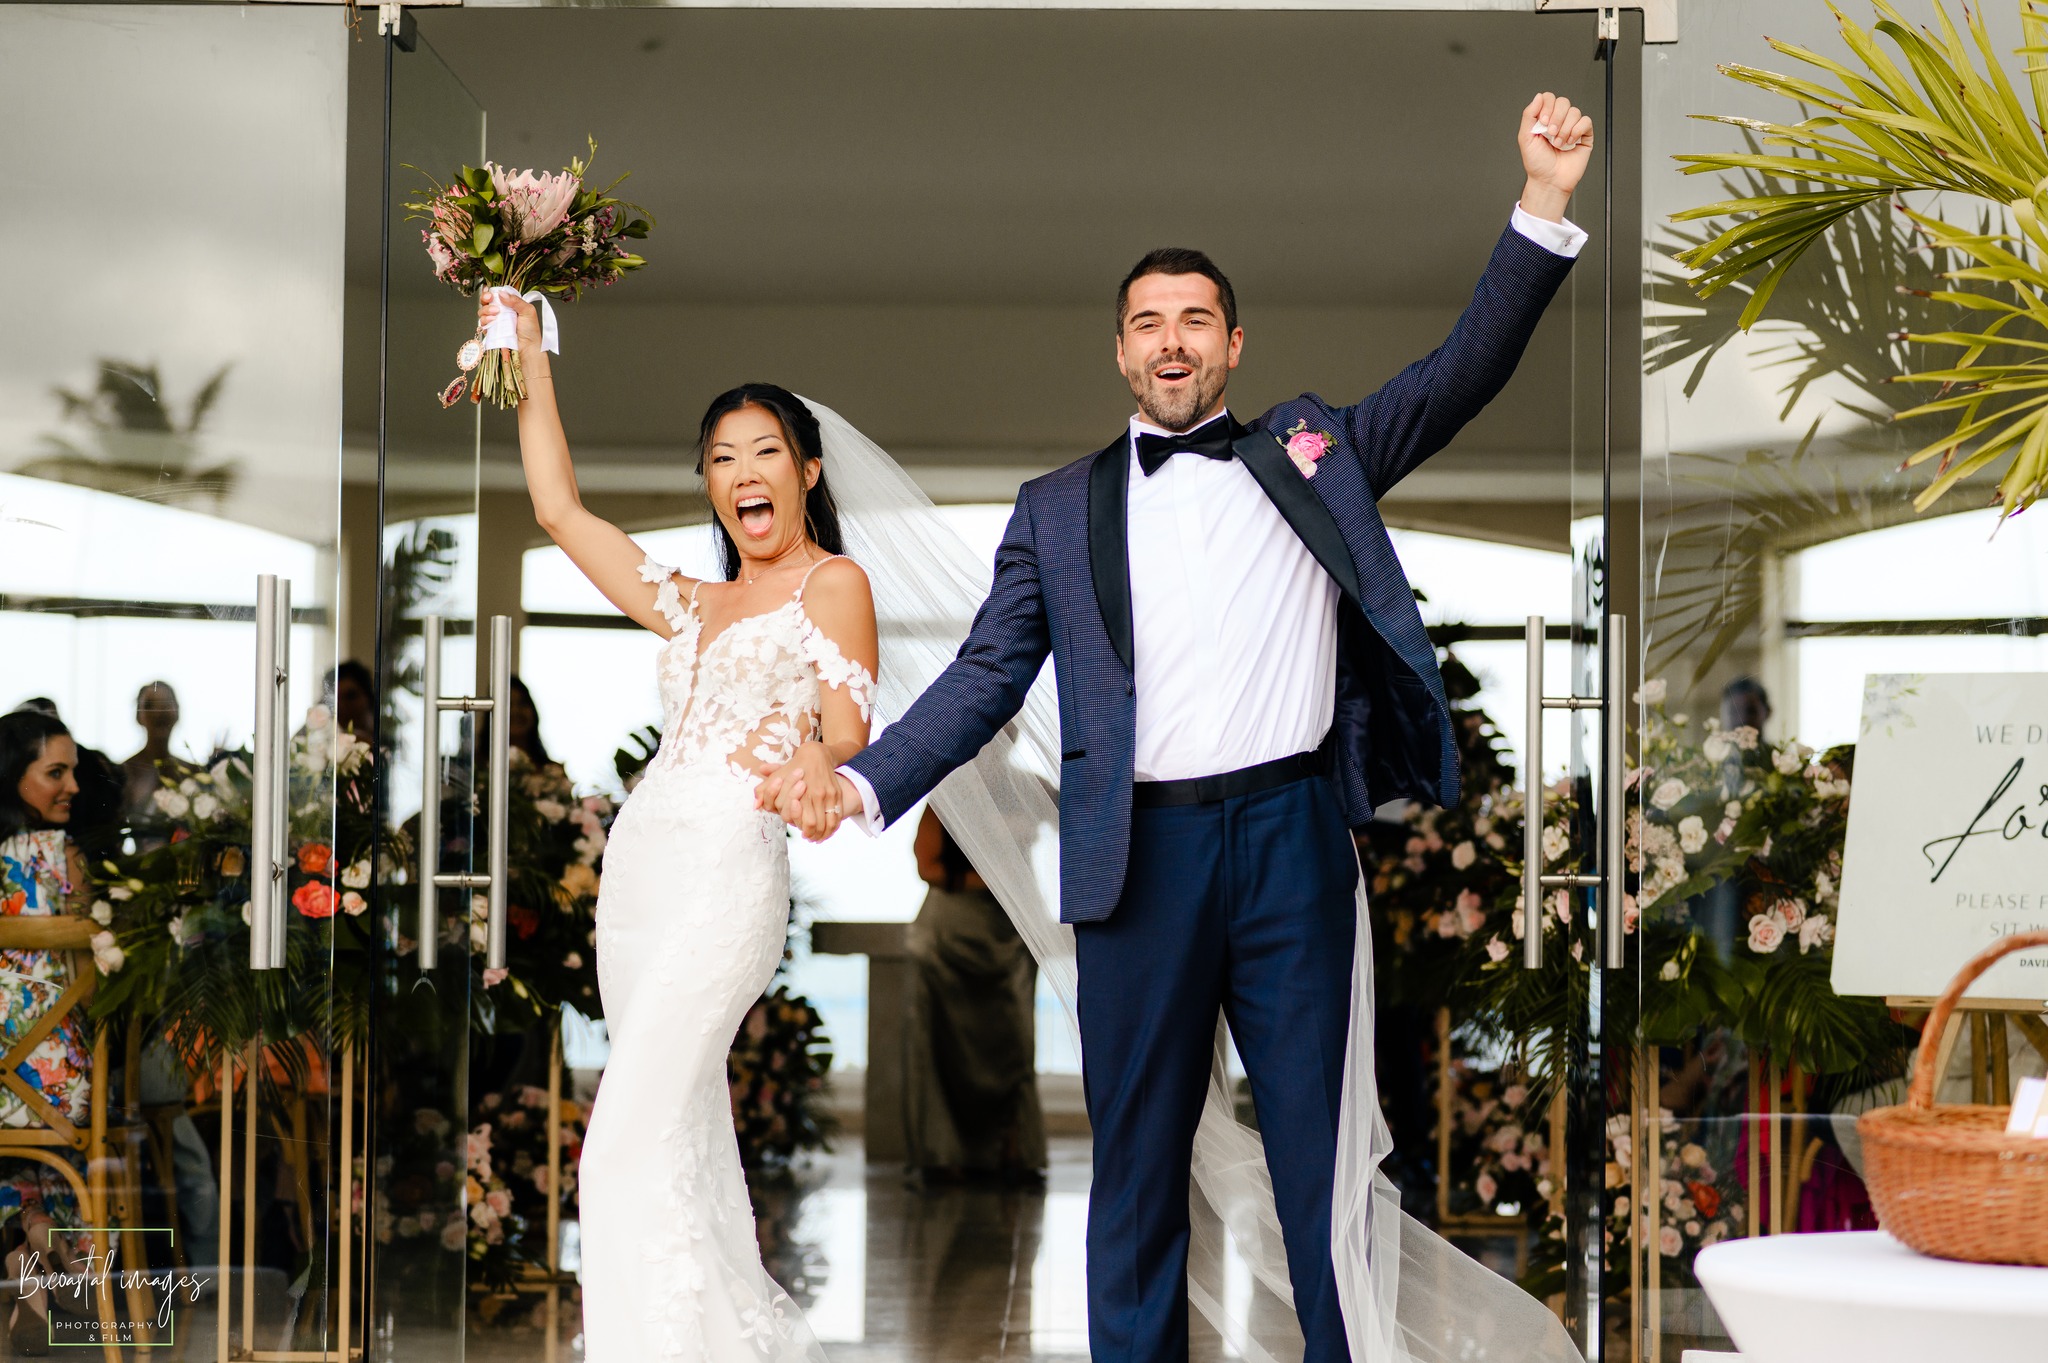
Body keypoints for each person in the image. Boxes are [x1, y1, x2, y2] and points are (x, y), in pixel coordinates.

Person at [763, 93, 1594, 1363]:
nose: (1170, 341)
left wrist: (1540, 202)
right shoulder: (1054, 511)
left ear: (1232, 345)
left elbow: (1462, 370)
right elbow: (983, 677)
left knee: (1320, 1169)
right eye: (1146, 323)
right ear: (1117, 353)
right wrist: (865, 783)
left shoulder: (1319, 452)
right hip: (1135, 858)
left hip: (1290, 844)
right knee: (1137, 1169)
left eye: (1193, 320)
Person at [482, 287, 877, 1362]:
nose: (742, 473)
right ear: (707, 482)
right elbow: (561, 509)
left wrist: (811, 758)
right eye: (720, 458)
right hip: (641, 878)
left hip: (726, 878)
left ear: (806, 470)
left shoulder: (833, 584)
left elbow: (849, 727)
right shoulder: (692, 601)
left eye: (764, 452)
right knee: (678, 1135)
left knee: (617, 1143)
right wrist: (527, 350)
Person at [902, 808, 1047, 1183]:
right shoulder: (946, 797)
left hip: (1009, 930)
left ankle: (1012, 1153)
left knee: (1014, 1043)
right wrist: (993, 880)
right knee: (941, 1045)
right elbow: (927, 866)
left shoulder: (1026, 786)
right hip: (952, 931)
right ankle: (942, 1156)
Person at [0, 713, 98, 1137]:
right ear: (10, 777)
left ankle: (21, 1204)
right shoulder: (68, 859)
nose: (74, 787)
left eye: (72, 772)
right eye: (56, 773)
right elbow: (92, 995)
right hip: (59, 1085)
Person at [121, 681, 198, 847]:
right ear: (138, 716)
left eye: (166, 704)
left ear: (177, 713)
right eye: (150, 705)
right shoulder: (124, 771)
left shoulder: (193, 771)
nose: (159, 712)